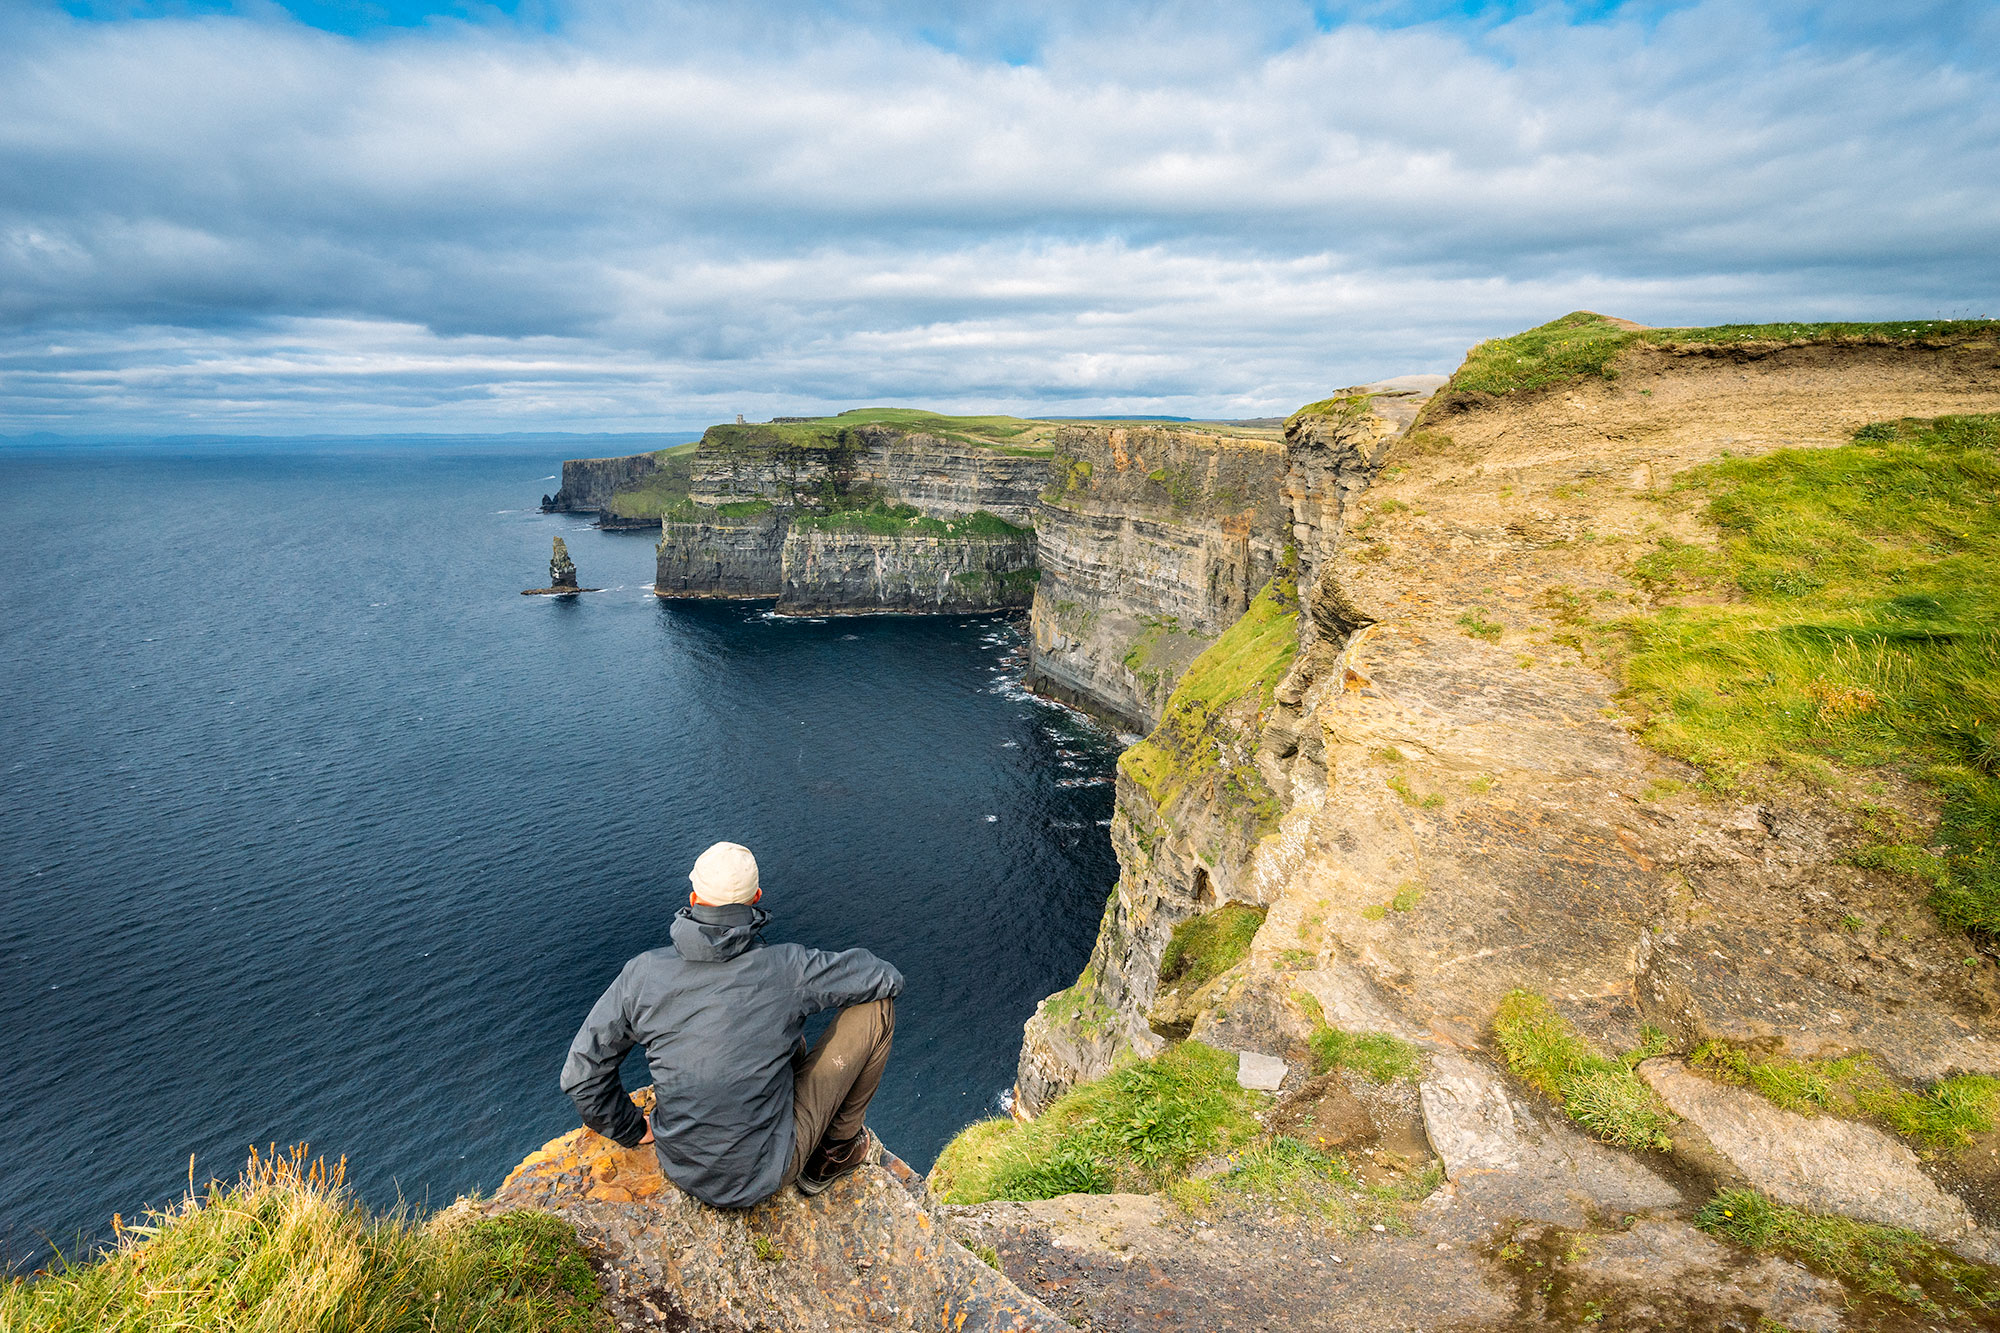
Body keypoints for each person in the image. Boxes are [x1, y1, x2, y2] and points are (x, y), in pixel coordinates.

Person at [560, 841, 903, 1208]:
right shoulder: (787, 967)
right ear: (756, 897)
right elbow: (886, 978)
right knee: (876, 1010)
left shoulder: (642, 974)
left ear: (693, 899)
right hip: (769, 1168)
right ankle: (831, 1154)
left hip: (682, 1165)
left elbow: (581, 1075)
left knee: (778, 1033)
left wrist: (633, 1128)